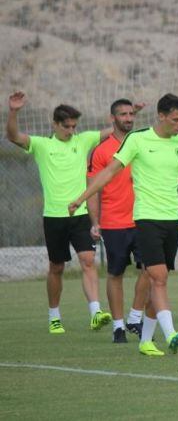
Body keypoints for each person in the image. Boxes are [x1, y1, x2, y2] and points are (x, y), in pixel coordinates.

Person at [69, 93, 178, 356]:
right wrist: (81, 199)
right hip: (146, 220)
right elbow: (109, 171)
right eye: (176, 119)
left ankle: (145, 341)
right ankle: (170, 332)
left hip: (171, 222)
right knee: (158, 277)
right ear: (161, 116)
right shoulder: (137, 139)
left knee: (155, 281)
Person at [6, 92, 117, 334]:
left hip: (79, 215)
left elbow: (112, 130)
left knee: (88, 261)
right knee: (56, 267)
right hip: (54, 217)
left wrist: (130, 116)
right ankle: (54, 316)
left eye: (74, 126)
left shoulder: (83, 140)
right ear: (55, 124)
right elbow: (13, 136)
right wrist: (14, 111)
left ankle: (95, 312)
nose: (71, 131)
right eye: (66, 126)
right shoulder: (42, 145)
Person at [87, 98, 152, 343]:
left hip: (142, 219)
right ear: (112, 118)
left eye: (130, 114)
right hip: (113, 222)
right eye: (123, 114)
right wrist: (95, 221)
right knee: (115, 274)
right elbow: (93, 188)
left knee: (151, 270)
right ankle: (118, 326)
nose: (128, 118)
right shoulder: (101, 151)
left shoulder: (142, 143)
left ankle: (135, 316)